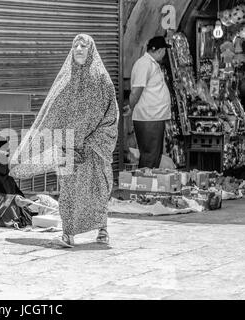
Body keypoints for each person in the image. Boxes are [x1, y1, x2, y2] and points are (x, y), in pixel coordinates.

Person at [10, 34, 119, 247]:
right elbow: (51, 114)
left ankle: (102, 230)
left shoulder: (103, 80)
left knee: (98, 189)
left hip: (95, 149)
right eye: (75, 45)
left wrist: (91, 143)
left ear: (91, 50)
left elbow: (111, 117)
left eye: (83, 45)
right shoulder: (65, 79)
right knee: (69, 192)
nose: (79, 48)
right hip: (69, 149)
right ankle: (68, 234)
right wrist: (45, 146)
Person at [124, 36, 172, 169]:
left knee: (154, 155)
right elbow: (137, 90)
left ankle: (150, 184)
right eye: (164, 51)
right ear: (160, 50)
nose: (164, 54)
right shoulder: (144, 64)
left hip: (155, 117)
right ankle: (144, 184)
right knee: (150, 156)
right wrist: (130, 106)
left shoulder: (151, 63)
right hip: (149, 118)